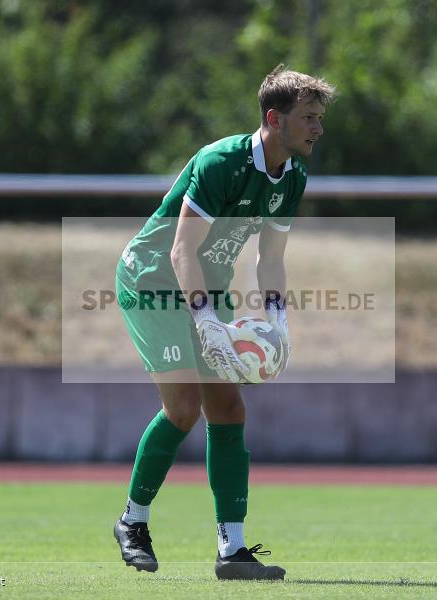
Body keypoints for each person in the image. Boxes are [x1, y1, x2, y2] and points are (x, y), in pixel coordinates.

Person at [112, 64, 335, 581]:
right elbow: (180, 248)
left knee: (229, 408)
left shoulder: (294, 175)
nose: (318, 128)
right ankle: (132, 521)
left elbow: (271, 258)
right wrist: (207, 319)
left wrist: (277, 319)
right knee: (184, 407)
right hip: (153, 279)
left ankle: (232, 551)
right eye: (309, 117)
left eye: (320, 118)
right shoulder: (221, 162)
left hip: (205, 286)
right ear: (274, 119)